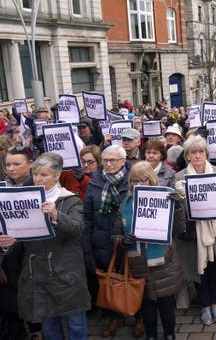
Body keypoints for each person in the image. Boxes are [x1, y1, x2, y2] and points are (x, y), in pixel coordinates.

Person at [0, 153, 91, 340]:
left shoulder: (69, 199)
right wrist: (7, 244)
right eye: (36, 174)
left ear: (57, 176)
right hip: (38, 273)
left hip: (66, 272)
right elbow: (21, 242)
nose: (38, 179)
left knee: (75, 323)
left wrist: (57, 215)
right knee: (49, 325)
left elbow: (77, 230)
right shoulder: (26, 200)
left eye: (44, 175)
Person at [113, 162, 185, 340]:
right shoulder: (125, 205)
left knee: (166, 305)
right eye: (133, 181)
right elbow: (115, 234)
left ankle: (170, 334)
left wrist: (177, 208)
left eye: (142, 180)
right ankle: (151, 335)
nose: (137, 184)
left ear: (151, 180)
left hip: (163, 263)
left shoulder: (164, 199)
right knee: (147, 307)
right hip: (138, 266)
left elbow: (178, 229)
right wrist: (122, 240)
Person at [174, 135, 216, 325]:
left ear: (206, 153)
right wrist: (180, 196)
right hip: (193, 231)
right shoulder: (180, 177)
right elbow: (178, 209)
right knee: (198, 268)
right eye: (193, 152)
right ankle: (205, 306)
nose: (197, 155)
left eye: (201, 151)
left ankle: (215, 303)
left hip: (214, 228)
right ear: (187, 156)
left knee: (214, 266)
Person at [82, 145, 138, 338]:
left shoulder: (133, 180)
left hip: (129, 240)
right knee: (110, 280)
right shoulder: (95, 183)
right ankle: (115, 317)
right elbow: (87, 217)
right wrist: (87, 247)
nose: (108, 164)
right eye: (105, 160)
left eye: (113, 160)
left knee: (133, 278)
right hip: (103, 240)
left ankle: (139, 317)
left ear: (123, 161)